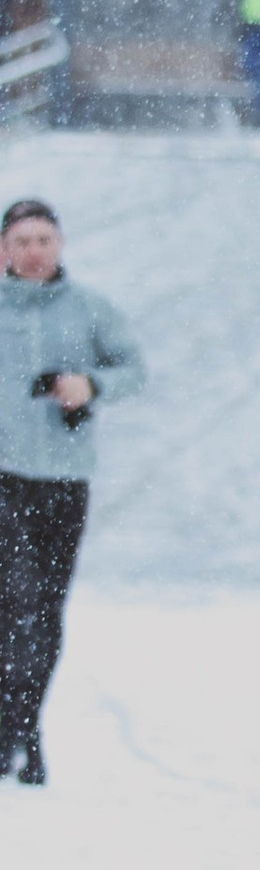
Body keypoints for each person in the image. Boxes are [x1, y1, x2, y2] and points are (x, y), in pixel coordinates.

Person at [0, 194, 146, 783]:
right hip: (3, 475)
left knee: (46, 610)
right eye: (22, 242)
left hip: (63, 479)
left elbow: (134, 369)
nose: (34, 253)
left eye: (44, 241)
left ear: (59, 245)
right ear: (3, 251)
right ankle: (10, 727)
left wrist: (90, 384)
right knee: (15, 600)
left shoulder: (90, 310)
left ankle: (24, 726)